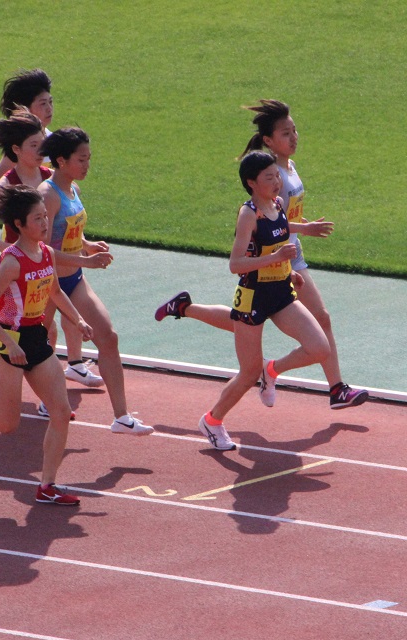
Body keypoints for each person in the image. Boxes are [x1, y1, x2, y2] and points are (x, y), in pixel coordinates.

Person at [157, 99, 369, 410]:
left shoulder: (287, 169)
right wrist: (297, 235)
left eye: (295, 130)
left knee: (292, 319)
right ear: (269, 141)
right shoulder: (269, 177)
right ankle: (323, 384)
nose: (294, 137)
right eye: (286, 133)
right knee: (261, 321)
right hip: (277, 261)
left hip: (289, 257)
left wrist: (302, 228)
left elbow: (280, 216)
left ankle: (186, 308)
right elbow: (263, 220)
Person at [0, 110, 102, 400]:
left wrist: (85, 244)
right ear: (16, 149)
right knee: (39, 331)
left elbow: (62, 224)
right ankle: (47, 398)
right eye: (34, 146)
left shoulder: (51, 179)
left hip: (41, 265)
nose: (42, 152)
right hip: (17, 271)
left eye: (43, 144)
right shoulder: (6, 185)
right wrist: (4, 248)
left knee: (39, 332)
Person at [0, 184, 93, 505]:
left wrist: (78, 320)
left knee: (61, 411)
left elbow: (55, 293)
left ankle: (47, 486)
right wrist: (6, 344)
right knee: (7, 425)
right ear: (20, 225)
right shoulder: (11, 262)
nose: (45, 223)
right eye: (37, 218)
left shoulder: (47, 253)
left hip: (37, 338)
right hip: (9, 341)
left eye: (45, 217)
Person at [197, 151, 330, 450]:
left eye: (276, 175)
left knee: (320, 347)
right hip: (253, 297)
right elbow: (236, 263)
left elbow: (281, 228)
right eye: (268, 177)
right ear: (251, 183)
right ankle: (213, 420)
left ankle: (271, 371)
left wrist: (304, 230)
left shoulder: (277, 204)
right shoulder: (248, 214)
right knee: (246, 374)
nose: (276, 180)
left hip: (281, 292)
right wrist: (276, 257)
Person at [37, 127, 154, 435]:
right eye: (81, 159)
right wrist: (85, 260)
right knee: (32, 346)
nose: (87, 164)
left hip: (73, 280)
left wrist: (86, 244)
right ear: (61, 160)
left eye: (89, 158)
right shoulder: (47, 196)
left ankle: (122, 417)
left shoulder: (73, 189)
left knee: (108, 337)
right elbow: (42, 250)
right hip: (47, 285)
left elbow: (70, 231)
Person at [0, 68, 54, 190]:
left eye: (50, 102)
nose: (49, 108)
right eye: (43, 103)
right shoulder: (22, 148)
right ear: (25, 110)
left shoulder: (54, 139)